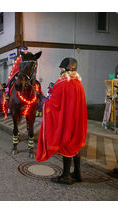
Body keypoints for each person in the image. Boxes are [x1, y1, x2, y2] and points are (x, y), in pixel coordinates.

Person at [36, 57, 87, 185]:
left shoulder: (61, 82)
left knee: (66, 144)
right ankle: (77, 173)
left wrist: (45, 102)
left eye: (61, 68)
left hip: (66, 120)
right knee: (75, 144)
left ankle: (65, 176)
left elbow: (53, 103)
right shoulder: (78, 82)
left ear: (64, 69)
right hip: (77, 120)